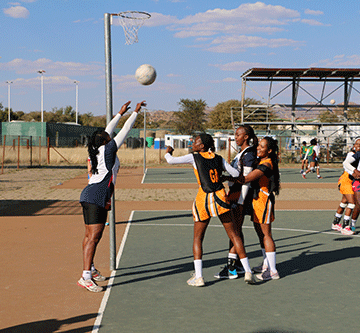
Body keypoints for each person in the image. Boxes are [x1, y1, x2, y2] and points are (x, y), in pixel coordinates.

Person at [164, 133, 256, 286]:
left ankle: (199, 276)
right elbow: (234, 173)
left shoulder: (194, 157)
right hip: (220, 196)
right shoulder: (218, 158)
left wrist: (168, 151)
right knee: (234, 235)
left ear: (202, 146)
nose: (193, 143)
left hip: (204, 199)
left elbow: (171, 161)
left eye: (196, 141)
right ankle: (248, 271)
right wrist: (223, 177)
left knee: (198, 238)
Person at [78, 100, 146, 292]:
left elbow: (108, 130)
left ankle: (89, 268)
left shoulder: (99, 148)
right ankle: (85, 276)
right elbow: (125, 131)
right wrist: (135, 114)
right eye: (109, 136)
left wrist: (119, 113)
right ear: (106, 140)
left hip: (91, 194)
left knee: (91, 236)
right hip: (96, 195)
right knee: (94, 236)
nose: (111, 136)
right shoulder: (108, 149)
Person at [229, 136, 281, 281]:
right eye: (258, 145)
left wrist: (226, 177)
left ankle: (273, 271)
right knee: (260, 234)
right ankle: (266, 265)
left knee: (266, 234)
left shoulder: (267, 164)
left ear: (269, 151)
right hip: (257, 201)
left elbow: (246, 179)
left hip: (264, 201)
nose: (258, 148)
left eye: (262, 147)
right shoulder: (261, 160)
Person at [214, 125, 258, 279]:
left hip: (240, 196)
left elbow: (246, 180)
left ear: (246, 136)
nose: (236, 137)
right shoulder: (242, 153)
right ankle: (238, 264)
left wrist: (240, 202)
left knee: (234, 232)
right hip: (235, 194)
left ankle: (231, 268)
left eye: (238, 135)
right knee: (236, 231)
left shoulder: (249, 154)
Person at [337, 138, 360, 234]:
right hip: (346, 181)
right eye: (357, 144)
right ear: (354, 146)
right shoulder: (352, 154)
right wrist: (354, 171)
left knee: (344, 201)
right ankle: (347, 226)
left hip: (350, 181)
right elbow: (345, 164)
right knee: (353, 203)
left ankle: (336, 222)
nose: (358, 146)